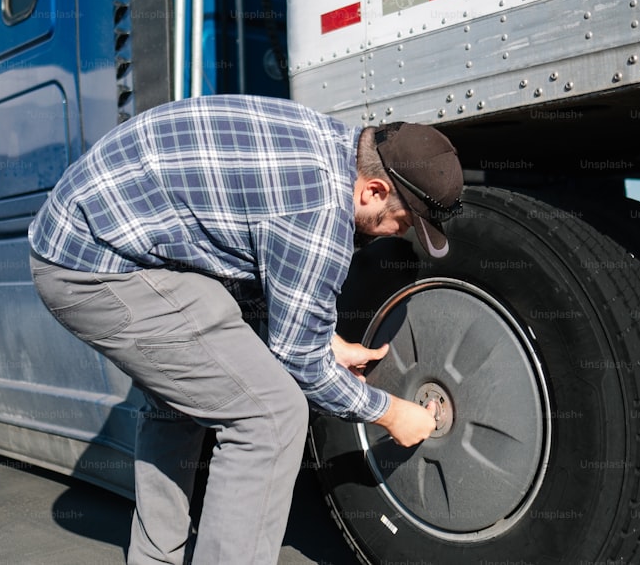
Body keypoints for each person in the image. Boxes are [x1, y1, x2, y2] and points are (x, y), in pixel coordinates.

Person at [28, 94, 464, 564]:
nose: (397, 235)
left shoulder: (336, 144)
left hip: (111, 237)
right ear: (373, 192)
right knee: (270, 416)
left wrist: (322, 340)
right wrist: (390, 413)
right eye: (401, 224)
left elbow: (246, 249)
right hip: (90, 268)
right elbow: (300, 362)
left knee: (190, 391)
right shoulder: (317, 213)